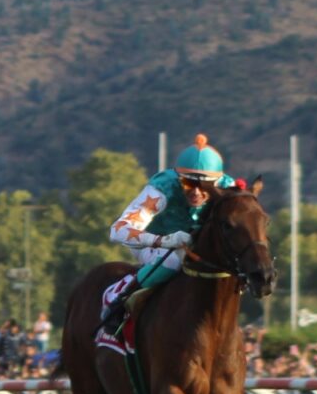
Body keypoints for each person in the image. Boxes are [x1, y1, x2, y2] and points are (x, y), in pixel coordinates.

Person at [98, 134, 235, 336]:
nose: (196, 192)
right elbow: (117, 230)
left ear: (217, 182)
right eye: (189, 184)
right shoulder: (163, 188)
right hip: (152, 243)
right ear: (179, 179)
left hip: (194, 246)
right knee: (175, 259)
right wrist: (164, 241)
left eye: (205, 186)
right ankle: (120, 294)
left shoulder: (228, 188)